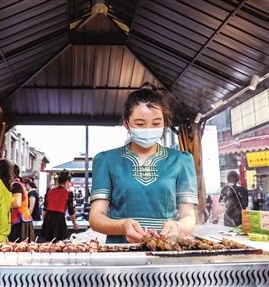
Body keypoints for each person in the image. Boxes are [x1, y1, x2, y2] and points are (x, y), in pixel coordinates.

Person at [89, 86, 198, 243]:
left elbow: (188, 216)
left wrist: (177, 227)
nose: (149, 129)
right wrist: (122, 226)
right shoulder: (106, 160)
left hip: (166, 251)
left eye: (156, 123)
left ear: (164, 123)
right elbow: (96, 217)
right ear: (127, 124)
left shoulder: (181, 161)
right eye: (140, 124)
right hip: (122, 253)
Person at [41, 169, 79, 242]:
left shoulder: (49, 191)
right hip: (59, 219)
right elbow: (71, 211)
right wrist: (74, 223)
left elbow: (44, 209)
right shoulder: (68, 193)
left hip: (48, 219)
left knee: (48, 244)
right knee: (60, 243)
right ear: (67, 182)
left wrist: (44, 223)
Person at [8, 165, 35, 242]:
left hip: (19, 222)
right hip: (22, 220)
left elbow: (17, 203)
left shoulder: (16, 185)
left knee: (18, 249)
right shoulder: (18, 184)